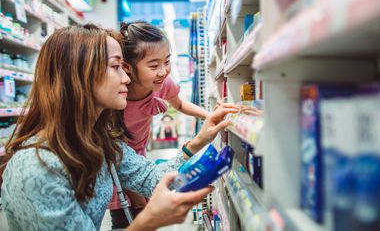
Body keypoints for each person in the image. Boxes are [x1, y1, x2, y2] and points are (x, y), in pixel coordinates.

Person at [0, 24, 238, 230]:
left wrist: (200, 142)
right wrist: (149, 222)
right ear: (79, 76)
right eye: (116, 67)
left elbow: (150, 177)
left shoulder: (97, 142)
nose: (126, 79)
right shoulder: (38, 166)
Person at [109, 21, 210, 228]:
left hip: (140, 160)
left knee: (145, 214)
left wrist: (210, 116)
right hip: (117, 168)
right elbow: (114, 154)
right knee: (127, 218)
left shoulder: (159, 84)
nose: (164, 71)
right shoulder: (116, 98)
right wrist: (133, 191)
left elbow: (180, 103)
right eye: (154, 66)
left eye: (167, 61)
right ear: (127, 68)